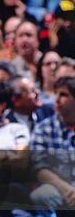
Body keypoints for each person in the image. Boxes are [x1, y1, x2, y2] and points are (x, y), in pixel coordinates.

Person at [30, 77, 75, 208]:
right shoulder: (43, 128)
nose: (57, 99)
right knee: (41, 195)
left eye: (63, 95)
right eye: (56, 93)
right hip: (59, 188)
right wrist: (68, 190)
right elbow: (39, 168)